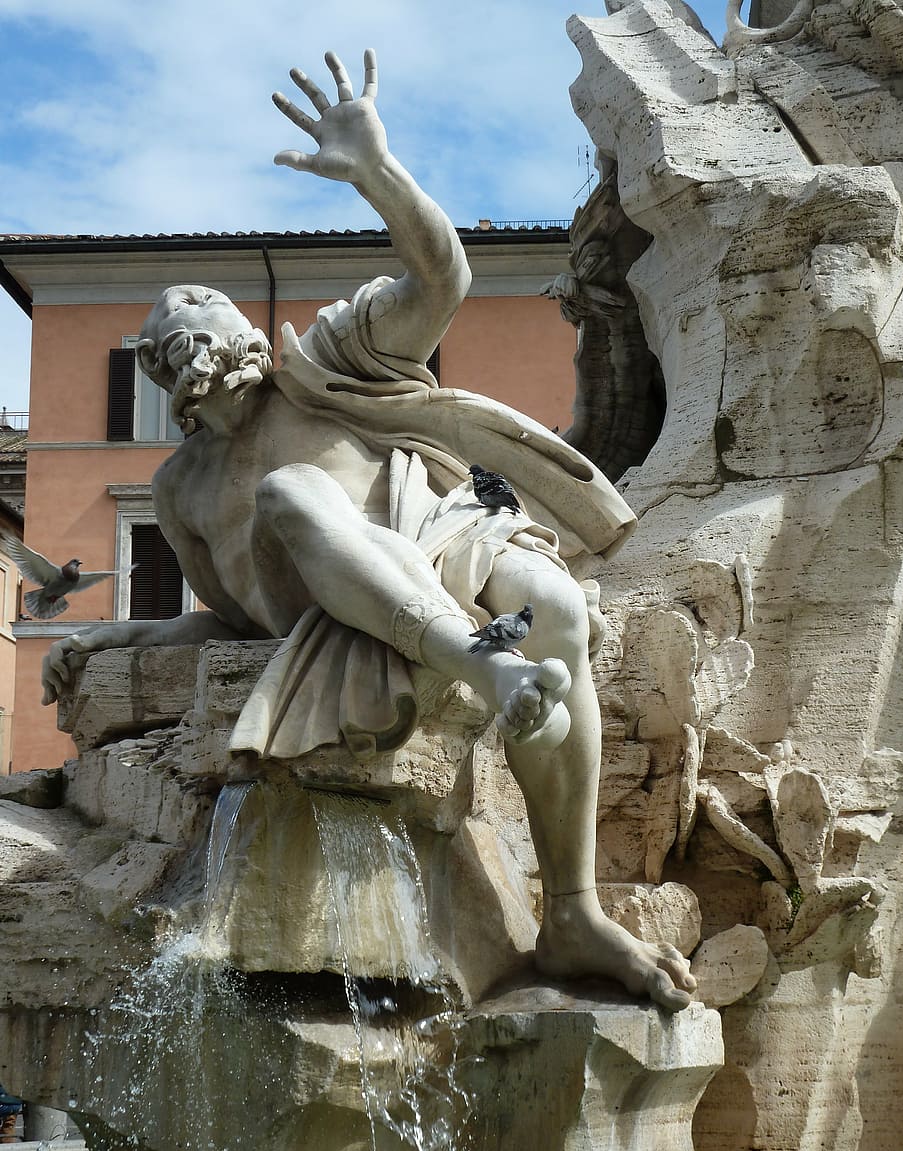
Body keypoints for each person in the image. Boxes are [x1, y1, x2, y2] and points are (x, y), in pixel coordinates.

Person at [41, 50, 696, 1012]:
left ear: (242, 329)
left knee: (556, 601)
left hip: (438, 546)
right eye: (165, 333)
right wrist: (111, 633)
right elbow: (226, 622)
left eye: (201, 307)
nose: (186, 322)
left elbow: (444, 277)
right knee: (295, 496)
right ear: (156, 372)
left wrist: (376, 173)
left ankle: (571, 910)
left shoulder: (333, 361)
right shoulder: (180, 491)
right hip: (335, 621)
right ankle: (490, 669)